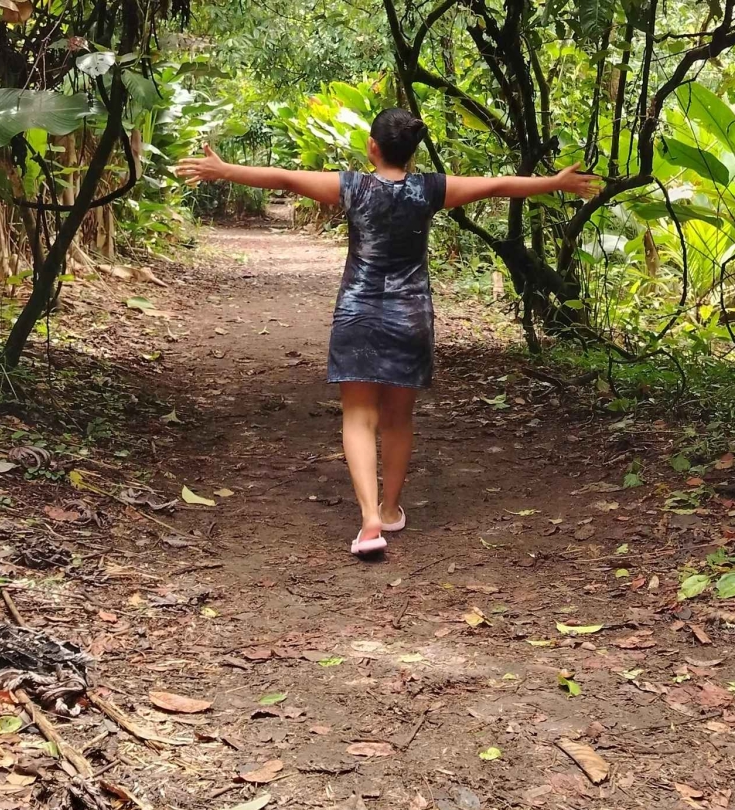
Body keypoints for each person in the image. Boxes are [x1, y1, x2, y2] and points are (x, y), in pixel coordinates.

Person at [176, 109, 599, 557]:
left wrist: (223, 170)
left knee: (359, 418)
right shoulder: (432, 188)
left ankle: (369, 520)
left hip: (358, 314)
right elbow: (497, 185)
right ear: (412, 151)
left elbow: (284, 179)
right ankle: (391, 508)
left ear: (372, 147)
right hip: (410, 317)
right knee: (398, 419)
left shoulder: (352, 186)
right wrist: (554, 182)